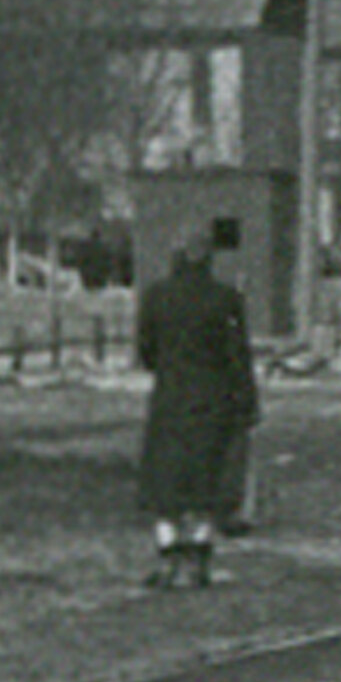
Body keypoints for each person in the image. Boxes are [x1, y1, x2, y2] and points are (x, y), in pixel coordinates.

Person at [131, 213, 259, 587]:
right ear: (209, 258)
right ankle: (200, 560)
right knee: (206, 480)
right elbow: (240, 357)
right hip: (214, 399)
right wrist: (248, 402)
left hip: (170, 398)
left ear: (176, 255)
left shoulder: (157, 296)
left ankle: (168, 557)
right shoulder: (227, 299)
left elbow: (146, 351)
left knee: (165, 484)